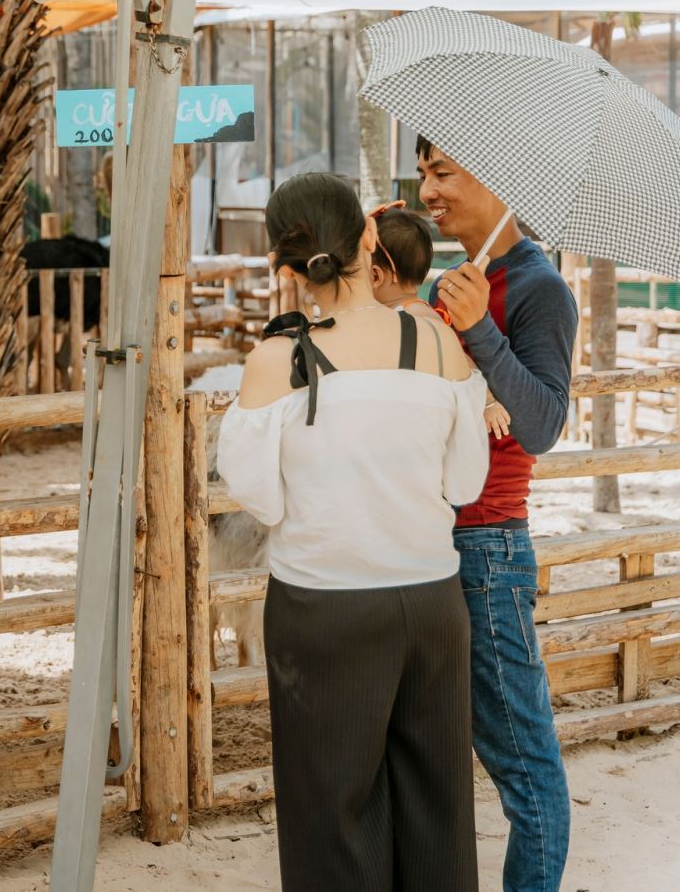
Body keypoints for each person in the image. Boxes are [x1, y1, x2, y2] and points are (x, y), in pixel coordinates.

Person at [220, 172, 490, 891]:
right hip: (432, 603)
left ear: (285, 265)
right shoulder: (439, 347)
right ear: (370, 239)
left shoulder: (277, 361)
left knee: (332, 815)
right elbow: (464, 485)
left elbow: (255, 496)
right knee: (437, 809)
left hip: (324, 610)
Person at [420, 137, 577, 892]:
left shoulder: (541, 288)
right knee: (431, 754)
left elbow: (544, 424)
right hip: (419, 542)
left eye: (442, 171)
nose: (428, 191)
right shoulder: (450, 281)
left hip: (486, 552)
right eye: (422, 174)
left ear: (500, 178)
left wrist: (480, 327)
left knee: (524, 764)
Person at [369, 200, 512, 439]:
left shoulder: (416, 317)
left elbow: (461, 358)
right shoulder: (394, 315)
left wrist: (488, 402)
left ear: (376, 275)